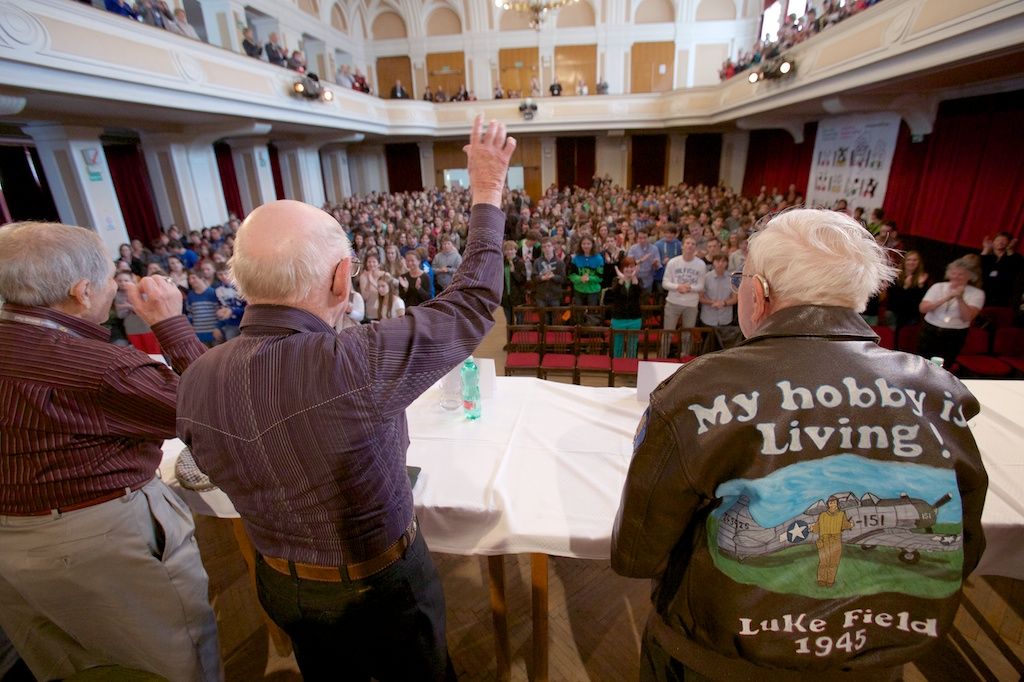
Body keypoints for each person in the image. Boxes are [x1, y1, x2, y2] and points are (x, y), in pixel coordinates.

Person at [176, 115, 516, 680]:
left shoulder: (199, 375)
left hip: (279, 584)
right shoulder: (349, 361)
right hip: (374, 589)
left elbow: (209, 463)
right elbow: (472, 303)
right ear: (342, 279)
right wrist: (486, 191)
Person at [612, 209, 987, 680]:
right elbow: (963, 545)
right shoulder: (940, 390)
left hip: (718, 662)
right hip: (875, 664)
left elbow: (636, 554)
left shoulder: (698, 389)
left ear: (759, 293)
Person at [0, 221, 221, 681]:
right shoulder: (102, 369)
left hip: (11, 548)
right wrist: (170, 324)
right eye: (107, 281)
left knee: (69, 665)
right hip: (98, 543)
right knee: (170, 662)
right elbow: (216, 413)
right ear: (82, 292)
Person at [918, 256, 985, 368]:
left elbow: (968, 318)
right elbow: (923, 309)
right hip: (930, 329)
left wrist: (960, 298)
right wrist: (947, 297)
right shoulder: (938, 287)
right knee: (922, 363)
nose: (956, 276)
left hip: (955, 334)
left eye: (961, 274)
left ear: (970, 276)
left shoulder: (977, 293)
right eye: (953, 273)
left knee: (945, 365)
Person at [661, 236, 705, 355]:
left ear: (695, 247)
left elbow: (701, 286)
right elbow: (665, 283)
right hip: (673, 302)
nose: (690, 245)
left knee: (687, 334)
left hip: (691, 304)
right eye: (688, 243)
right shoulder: (673, 262)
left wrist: (689, 288)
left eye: (693, 244)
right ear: (682, 245)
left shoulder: (701, 264)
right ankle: (663, 357)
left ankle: (684, 357)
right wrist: (678, 287)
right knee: (667, 333)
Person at [607, 256, 643, 357]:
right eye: (626, 267)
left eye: (632, 267)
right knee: (617, 344)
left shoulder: (638, 281)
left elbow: (640, 297)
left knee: (632, 344)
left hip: (634, 318)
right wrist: (622, 280)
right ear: (622, 268)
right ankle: (617, 366)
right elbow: (614, 295)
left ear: (635, 268)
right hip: (618, 318)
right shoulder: (616, 280)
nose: (629, 269)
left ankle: (630, 367)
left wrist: (635, 281)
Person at [887, 250, 929, 329]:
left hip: (911, 315)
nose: (911, 262)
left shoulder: (923, 278)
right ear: (904, 261)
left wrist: (920, 286)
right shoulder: (896, 275)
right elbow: (893, 297)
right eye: (909, 260)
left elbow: (920, 299)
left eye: (914, 260)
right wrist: (906, 287)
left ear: (919, 262)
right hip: (894, 312)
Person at [699, 253, 735, 327]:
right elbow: (700, 298)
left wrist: (723, 303)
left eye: (723, 261)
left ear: (727, 263)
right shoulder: (706, 277)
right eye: (718, 261)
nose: (720, 264)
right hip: (708, 317)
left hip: (725, 317)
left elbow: (735, 298)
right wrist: (712, 302)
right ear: (713, 263)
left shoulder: (732, 278)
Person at [500, 240, 528, 324]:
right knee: (509, 321)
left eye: (512, 249)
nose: (509, 252)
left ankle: (519, 336)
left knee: (520, 321)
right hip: (506, 296)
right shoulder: (502, 263)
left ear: (516, 250)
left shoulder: (520, 263)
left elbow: (522, 280)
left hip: (518, 296)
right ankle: (510, 336)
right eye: (507, 250)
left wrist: (513, 272)